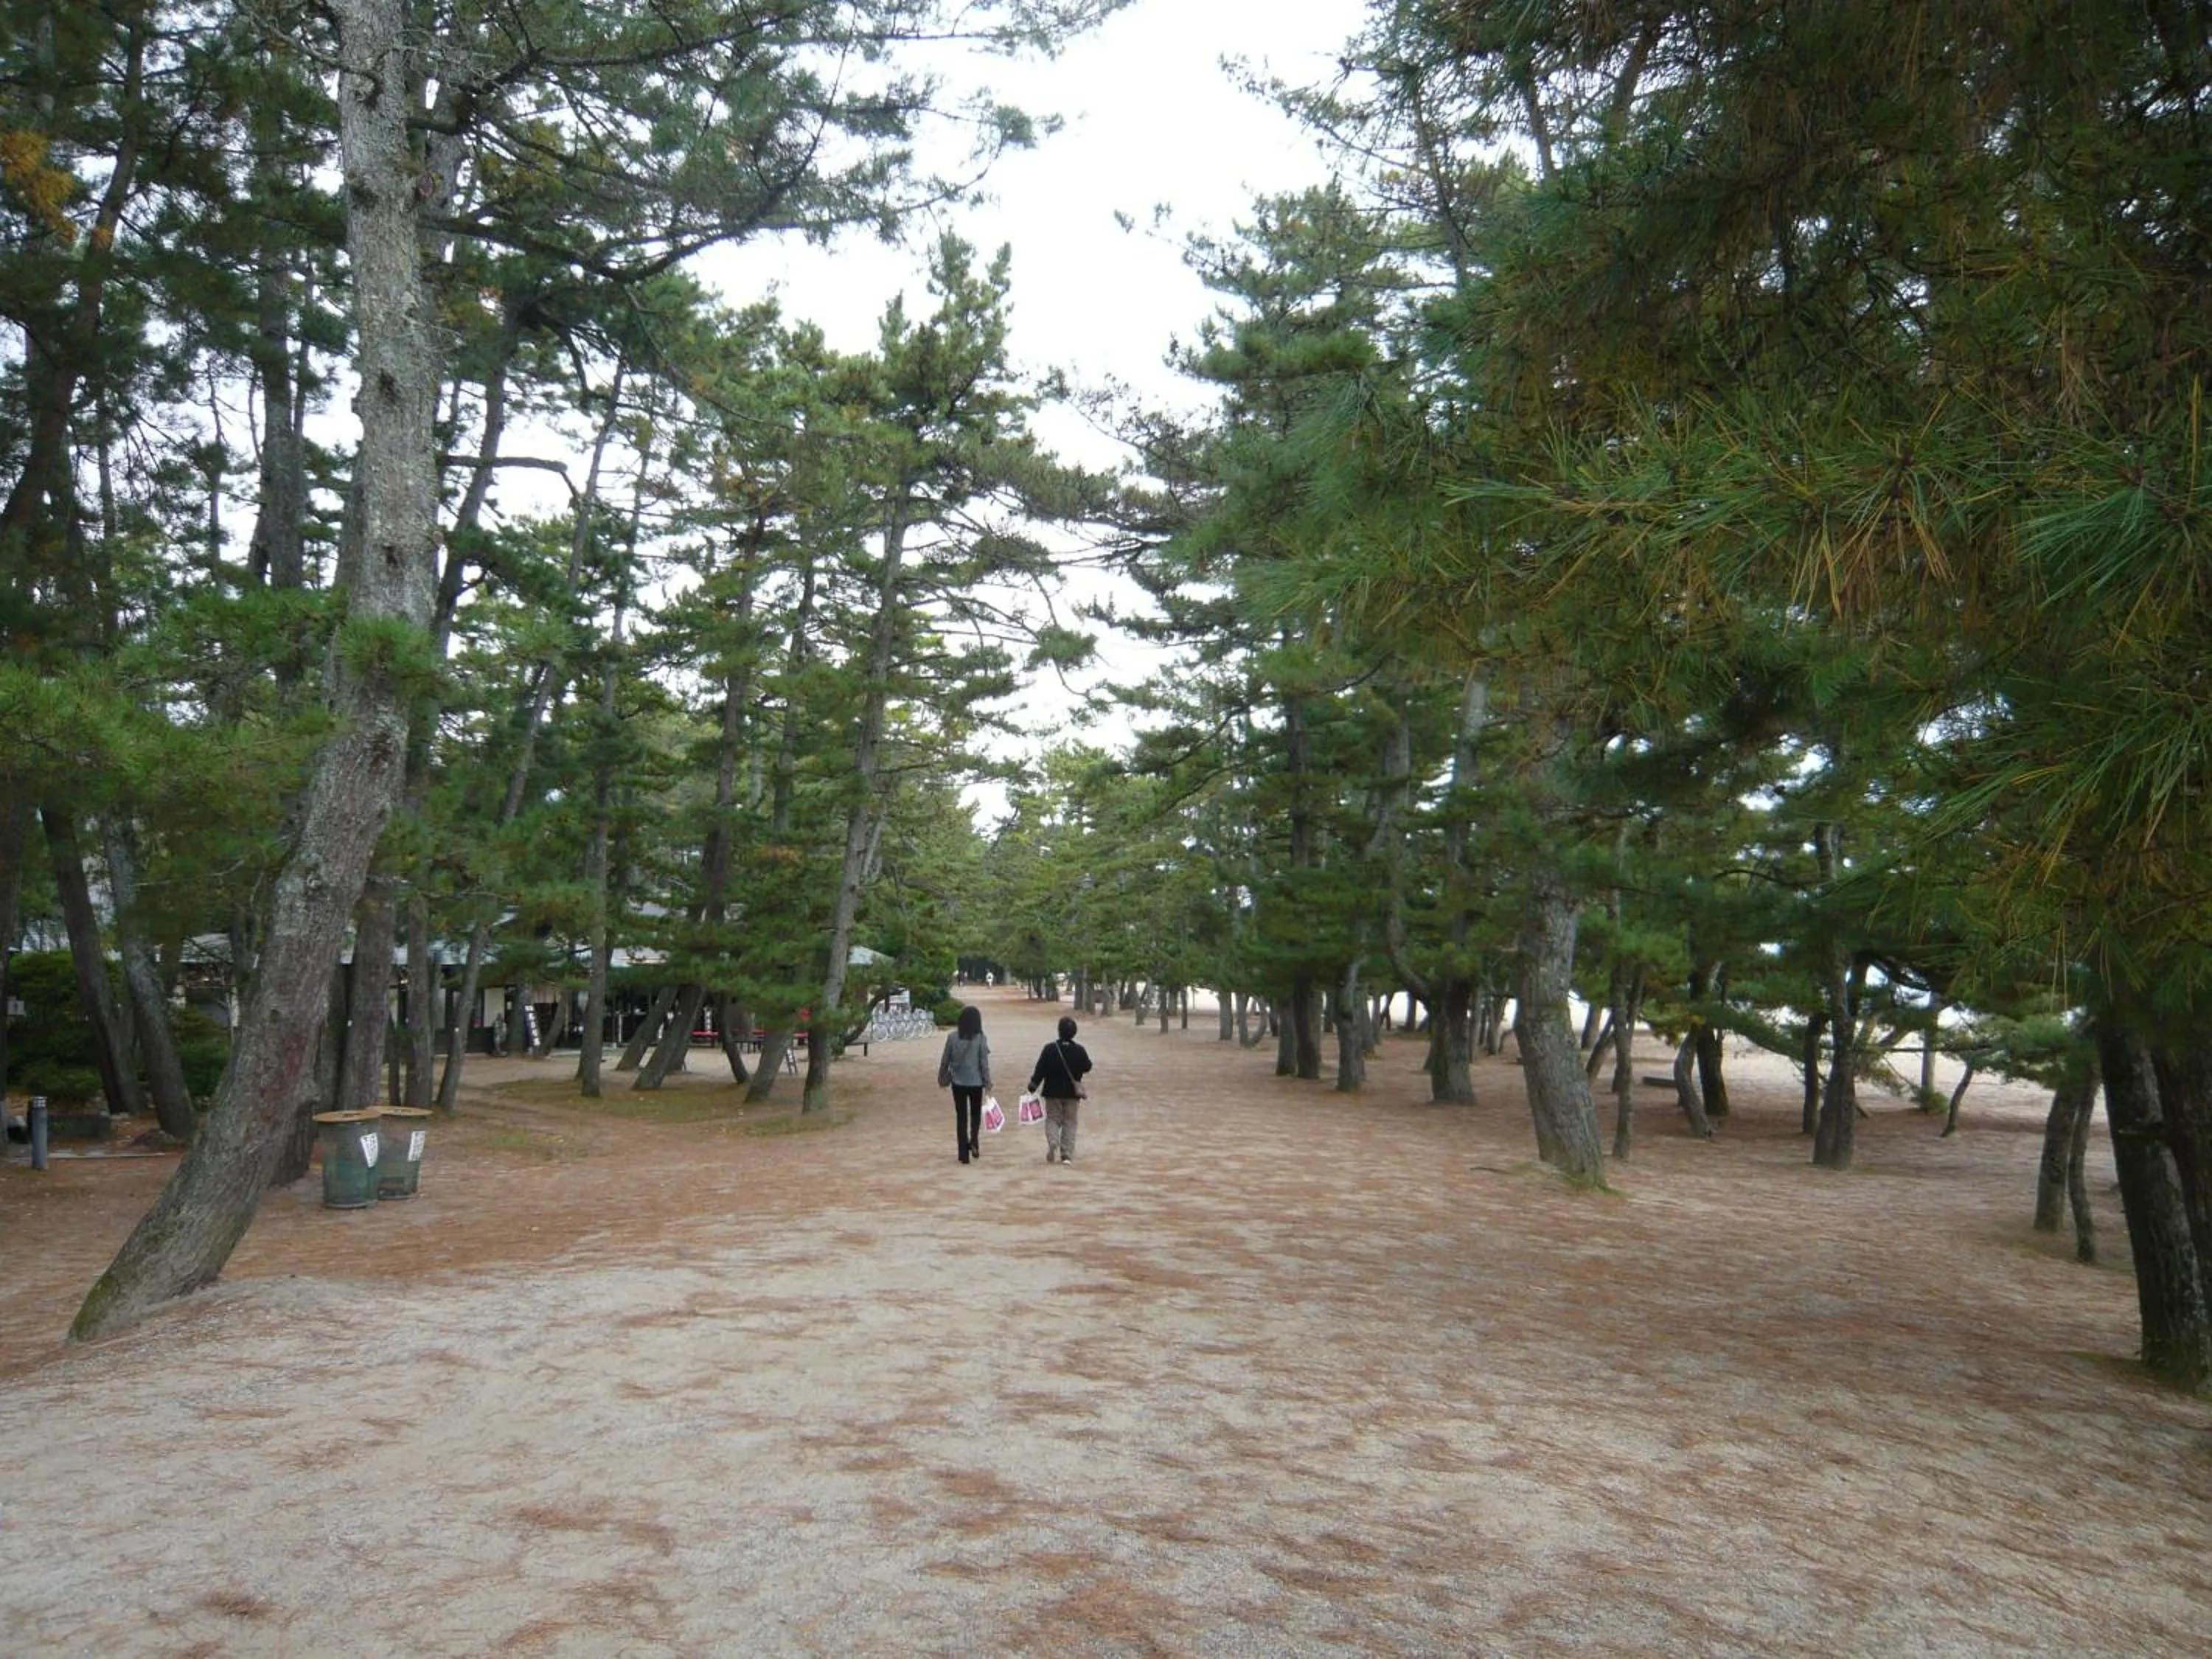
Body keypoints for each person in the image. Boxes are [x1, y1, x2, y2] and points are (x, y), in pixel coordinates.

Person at [1027, 1015, 1093, 1165]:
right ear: (1074, 1032)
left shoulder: (1050, 1049)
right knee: (1070, 1122)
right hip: (1072, 1093)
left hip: (1052, 1092)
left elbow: (1040, 1069)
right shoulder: (1079, 1050)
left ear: (1059, 1031)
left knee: (1053, 1119)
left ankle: (1052, 1141)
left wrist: (1033, 1085)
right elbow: (1088, 1066)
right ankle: (1066, 1154)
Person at [936, 1005, 992, 1164]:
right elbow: (984, 1063)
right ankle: (974, 1140)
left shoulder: (952, 1037)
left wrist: (941, 1077)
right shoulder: (981, 1039)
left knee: (961, 1116)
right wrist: (988, 1082)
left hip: (958, 1082)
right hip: (976, 1083)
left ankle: (963, 1153)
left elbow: (945, 1060)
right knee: (975, 1114)